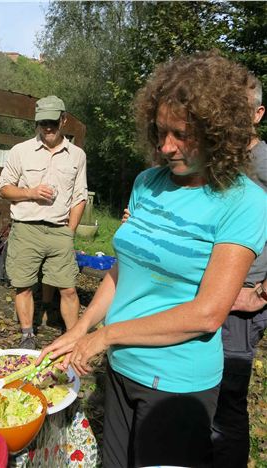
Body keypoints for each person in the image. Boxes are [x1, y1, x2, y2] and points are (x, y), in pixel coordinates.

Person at [37, 51, 266, 467]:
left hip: (176, 385)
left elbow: (208, 314)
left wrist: (106, 336)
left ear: (219, 132)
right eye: (160, 132)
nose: (165, 146)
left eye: (180, 134)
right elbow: (124, 271)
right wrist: (83, 327)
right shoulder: (148, 183)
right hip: (123, 370)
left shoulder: (245, 202)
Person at [0, 95, 88, 349]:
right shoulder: (21, 151)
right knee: (23, 286)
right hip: (26, 229)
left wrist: (70, 231)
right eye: (42, 123)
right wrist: (31, 192)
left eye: (52, 122)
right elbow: (4, 189)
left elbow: (79, 197)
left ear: (64, 120)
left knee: (68, 288)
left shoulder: (77, 156)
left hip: (60, 231)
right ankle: (28, 334)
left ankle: (74, 337)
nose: (47, 128)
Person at [211, 74, 267, 467]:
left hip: (245, 295)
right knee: (201, 388)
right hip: (207, 290)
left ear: (258, 113)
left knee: (227, 399)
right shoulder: (219, 159)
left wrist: (264, 289)